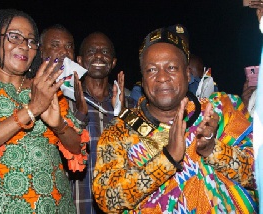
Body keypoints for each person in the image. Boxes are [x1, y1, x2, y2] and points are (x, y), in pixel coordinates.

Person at [93, 27, 257, 213]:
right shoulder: (120, 130)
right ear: (143, 78)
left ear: (187, 74)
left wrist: (213, 150)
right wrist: (167, 160)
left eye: (171, 67)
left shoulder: (223, 109)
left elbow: (257, 174)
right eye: (152, 70)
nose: (162, 77)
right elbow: (107, 200)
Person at [0, 9, 89, 213]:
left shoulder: (45, 87)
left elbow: (77, 149)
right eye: (14, 37)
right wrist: (32, 110)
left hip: (55, 206)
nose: (24, 45)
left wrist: (58, 125)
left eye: (31, 41)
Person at [65, 32, 135, 214]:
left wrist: (122, 115)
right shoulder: (65, 103)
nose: (98, 55)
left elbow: (141, 153)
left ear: (113, 62)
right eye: (91, 51)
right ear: (79, 60)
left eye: (105, 51)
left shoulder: (130, 105)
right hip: (77, 206)